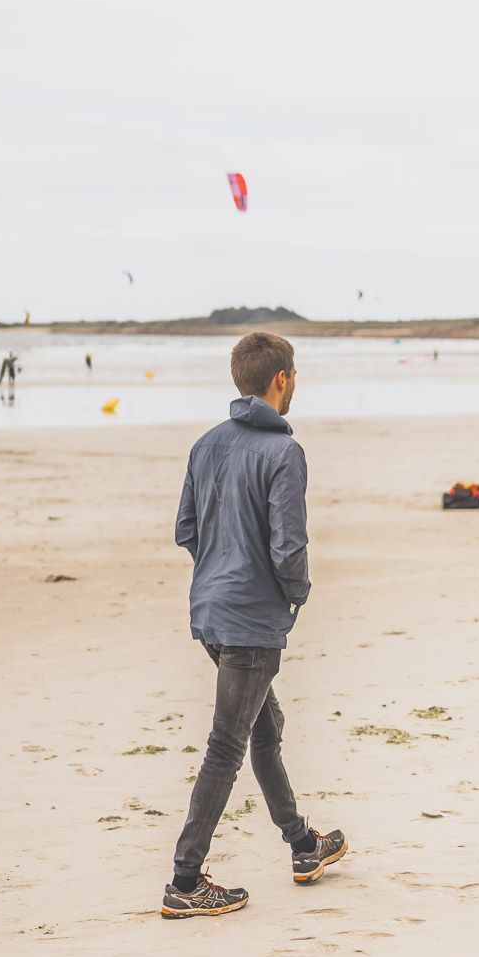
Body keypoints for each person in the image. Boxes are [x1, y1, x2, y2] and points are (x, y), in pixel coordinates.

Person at [162, 332, 346, 920]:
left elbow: (187, 530)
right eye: (297, 376)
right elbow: (289, 546)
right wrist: (294, 596)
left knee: (265, 729)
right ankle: (185, 880)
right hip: (250, 621)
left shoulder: (205, 444)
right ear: (282, 379)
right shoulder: (284, 452)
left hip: (211, 614)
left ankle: (302, 845)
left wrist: (220, 576)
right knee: (227, 746)